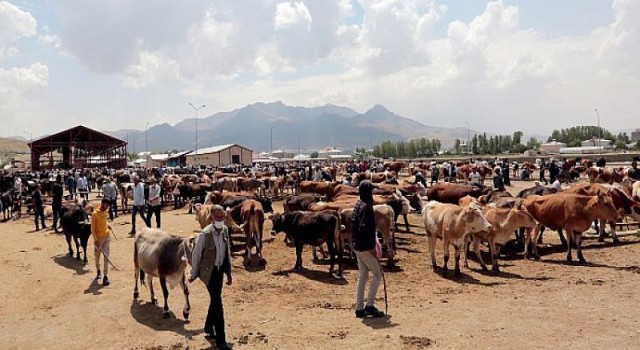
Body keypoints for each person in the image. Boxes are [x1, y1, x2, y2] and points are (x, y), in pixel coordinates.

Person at [189, 205, 232, 350]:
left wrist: (229, 273)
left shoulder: (225, 230)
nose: (221, 219)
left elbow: (227, 253)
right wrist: (194, 273)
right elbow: (196, 254)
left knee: (215, 299)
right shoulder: (205, 233)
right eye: (218, 217)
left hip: (219, 270)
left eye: (223, 217)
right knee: (217, 302)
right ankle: (221, 340)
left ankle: (208, 327)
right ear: (212, 217)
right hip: (208, 272)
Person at [352, 180, 385, 319]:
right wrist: (372, 247)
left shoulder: (358, 204)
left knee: (363, 275)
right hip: (365, 247)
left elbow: (355, 227)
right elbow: (365, 229)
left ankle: (359, 308)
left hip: (356, 246)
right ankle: (369, 306)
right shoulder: (367, 207)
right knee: (377, 273)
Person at [91, 199, 111, 286]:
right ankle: (98, 270)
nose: (107, 207)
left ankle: (105, 276)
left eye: (108, 205)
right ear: (102, 204)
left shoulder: (106, 212)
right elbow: (92, 229)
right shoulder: (95, 214)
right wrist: (95, 240)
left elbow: (105, 221)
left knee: (106, 257)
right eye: (106, 205)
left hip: (106, 237)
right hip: (98, 240)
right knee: (97, 258)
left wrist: (108, 225)